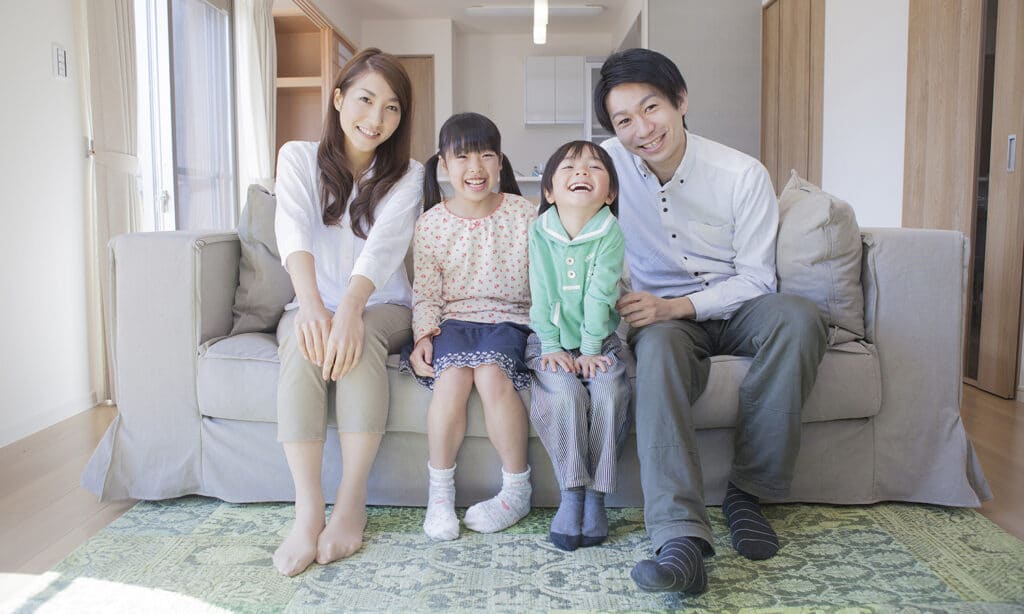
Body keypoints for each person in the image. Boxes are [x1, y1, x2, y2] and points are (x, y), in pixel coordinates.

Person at [594, 48, 828, 594]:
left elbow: (756, 280)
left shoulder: (741, 173)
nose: (641, 129)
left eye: (651, 108)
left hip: (738, 306)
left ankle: (749, 493)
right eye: (623, 120)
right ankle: (679, 538)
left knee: (799, 319)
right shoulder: (605, 165)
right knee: (655, 352)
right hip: (664, 322)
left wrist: (674, 306)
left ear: (680, 100)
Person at [272, 48, 424, 577]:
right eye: (365, 100)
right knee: (300, 339)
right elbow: (291, 227)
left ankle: (351, 501)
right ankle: (307, 509)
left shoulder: (409, 174)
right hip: (313, 296)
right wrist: (312, 306)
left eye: (392, 108)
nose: (376, 119)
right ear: (338, 99)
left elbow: (384, 249)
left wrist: (349, 311)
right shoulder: (296, 157)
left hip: (381, 301)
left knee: (357, 343)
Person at [401, 113, 535, 541]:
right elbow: (426, 294)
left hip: (511, 318)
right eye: (462, 157)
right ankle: (439, 496)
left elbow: (544, 284)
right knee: (452, 378)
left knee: (492, 373)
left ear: (499, 162)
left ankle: (517, 489)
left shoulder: (524, 213)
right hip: (453, 321)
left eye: (486, 155)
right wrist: (423, 335)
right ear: (444, 163)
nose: (474, 168)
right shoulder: (432, 223)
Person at [525, 140, 631, 551]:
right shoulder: (540, 230)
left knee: (608, 392)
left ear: (611, 193)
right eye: (568, 167)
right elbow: (542, 290)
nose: (581, 172)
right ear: (549, 191)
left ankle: (596, 497)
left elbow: (600, 294)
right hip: (548, 340)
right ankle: (572, 493)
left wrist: (590, 350)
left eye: (594, 167)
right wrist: (552, 345)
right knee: (565, 396)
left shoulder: (610, 232)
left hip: (599, 341)